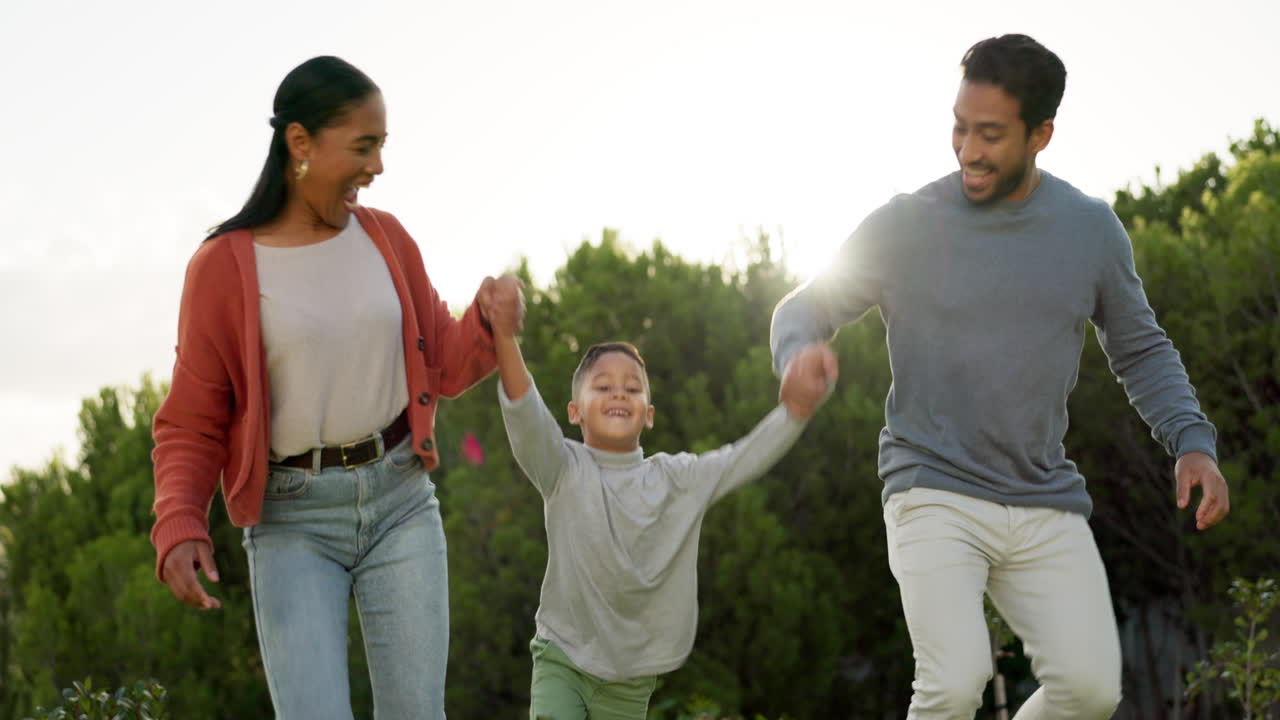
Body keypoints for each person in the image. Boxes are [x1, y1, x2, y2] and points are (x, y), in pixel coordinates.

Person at [770, 34, 1230, 719]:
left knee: (1092, 690)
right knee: (954, 683)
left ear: (1041, 133)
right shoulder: (908, 224)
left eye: (990, 134)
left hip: (1041, 490)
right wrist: (798, 351)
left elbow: (1141, 349)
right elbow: (805, 305)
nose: (967, 150)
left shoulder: (1090, 231)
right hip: (931, 485)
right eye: (959, 127)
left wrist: (1192, 441)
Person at [149, 55, 522, 720]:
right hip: (293, 521)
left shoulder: (386, 239)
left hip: (401, 500)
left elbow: (444, 361)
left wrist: (491, 322)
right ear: (300, 143)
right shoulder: (223, 267)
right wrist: (179, 523)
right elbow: (192, 420)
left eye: (381, 146)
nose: (377, 166)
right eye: (363, 146)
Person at [489, 310, 829, 718]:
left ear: (648, 414)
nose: (619, 394)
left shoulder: (676, 480)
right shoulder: (562, 468)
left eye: (632, 389)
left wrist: (794, 414)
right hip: (562, 658)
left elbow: (741, 459)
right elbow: (526, 414)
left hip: (630, 681)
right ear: (575, 412)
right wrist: (505, 336)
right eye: (603, 386)